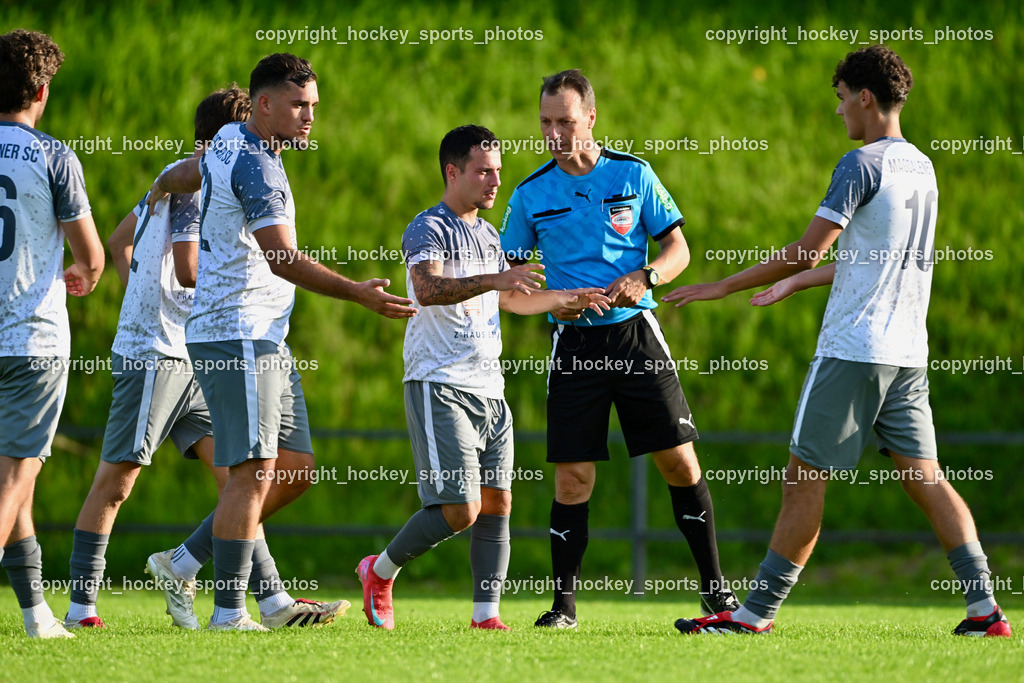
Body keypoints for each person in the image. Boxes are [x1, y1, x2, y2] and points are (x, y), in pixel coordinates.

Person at [669, 45, 1011, 637]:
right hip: (906, 353)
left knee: (803, 479)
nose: (838, 112)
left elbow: (810, 247)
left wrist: (722, 284)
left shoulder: (861, 164)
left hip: (854, 348)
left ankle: (754, 615)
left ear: (865, 97)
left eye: (841, 99)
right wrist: (803, 281)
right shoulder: (923, 166)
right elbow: (884, 258)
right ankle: (985, 608)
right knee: (927, 478)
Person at [65, 85, 348, 630]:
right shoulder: (203, 184)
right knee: (118, 478)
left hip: (198, 348)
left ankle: (261, 597)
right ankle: (81, 609)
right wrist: (154, 307)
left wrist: (138, 285)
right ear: (224, 137)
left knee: (242, 479)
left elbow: (122, 240)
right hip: (163, 348)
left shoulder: (182, 175)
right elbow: (191, 268)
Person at [151, 52, 416, 632]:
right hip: (237, 333)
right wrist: (358, 293)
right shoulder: (257, 165)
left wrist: (161, 184)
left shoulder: (226, 140)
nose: (309, 117)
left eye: (314, 106)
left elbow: (188, 174)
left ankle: (183, 560)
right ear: (264, 104)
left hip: (266, 336)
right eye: (299, 105)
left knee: (294, 468)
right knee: (251, 470)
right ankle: (228, 612)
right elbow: (282, 257)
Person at [499, 69, 737, 629]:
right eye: (545, 122)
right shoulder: (530, 195)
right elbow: (508, 288)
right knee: (571, 478)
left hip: (635, 338)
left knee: (679, 461)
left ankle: (716, 594)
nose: (554, 132)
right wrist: (553, 302)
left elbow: (678, 248)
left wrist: (647, 276)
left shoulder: (634, 174)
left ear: (591, 118)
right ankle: (563, 606)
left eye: (566, 121)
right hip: (575, 347)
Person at [356, 125, 609, 630]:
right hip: (439, 381)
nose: (495, 181)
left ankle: (485, 616)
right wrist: (497, 279)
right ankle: (379, 571)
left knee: (498, 501)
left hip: (490, 386)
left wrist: (564, 300)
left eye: (498, 171)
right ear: (453, 172)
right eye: (483, 171)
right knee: (459, 509)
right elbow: (426, 289)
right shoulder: (429, 226)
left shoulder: (489, 233)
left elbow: (510, 298)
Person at [0, 29, 105, 639]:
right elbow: (90, 255)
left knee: (16, 481)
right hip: (31, 341)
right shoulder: (53, 155)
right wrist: (82, 274)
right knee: (15, 475)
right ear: (41, 92)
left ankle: (36, 613)